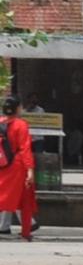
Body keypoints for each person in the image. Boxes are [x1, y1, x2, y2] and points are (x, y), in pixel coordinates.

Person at [1, 93, 36, 240]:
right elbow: (25, 149)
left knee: (4, 196)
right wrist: (30, 170)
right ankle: (26, 231)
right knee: (25, 199)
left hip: (2, 165)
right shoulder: (21, 125)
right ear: (18, 108)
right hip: (17, 167)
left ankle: (16, 228)